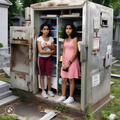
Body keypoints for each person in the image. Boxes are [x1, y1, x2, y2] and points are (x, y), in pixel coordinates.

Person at [57, 23, 80, 104]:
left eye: (70, 28)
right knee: (63, 79)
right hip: (65, 61)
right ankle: (63, 95)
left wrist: (68, 63)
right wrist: (63, 63)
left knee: (71, 79)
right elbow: (63, 51)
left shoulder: (75, 39)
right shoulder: (65, 39)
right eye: (66, 28)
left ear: (72, 29)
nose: (68, 30)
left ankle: (71, 97)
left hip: (72, 61)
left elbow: (75, 52)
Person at [37, 23, 55, 98]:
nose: (46, 31)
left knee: (48, 76)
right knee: (41, 75)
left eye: (47, 29)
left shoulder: (51, 39)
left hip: (48, 59)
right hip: (41, 58)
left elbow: (54, 50)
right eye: (44, 29)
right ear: (41, 30)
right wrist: (50, 51)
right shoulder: (39, 39)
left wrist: (48, 46)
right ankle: (43, 91)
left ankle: (49, 90)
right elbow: (40, 51)